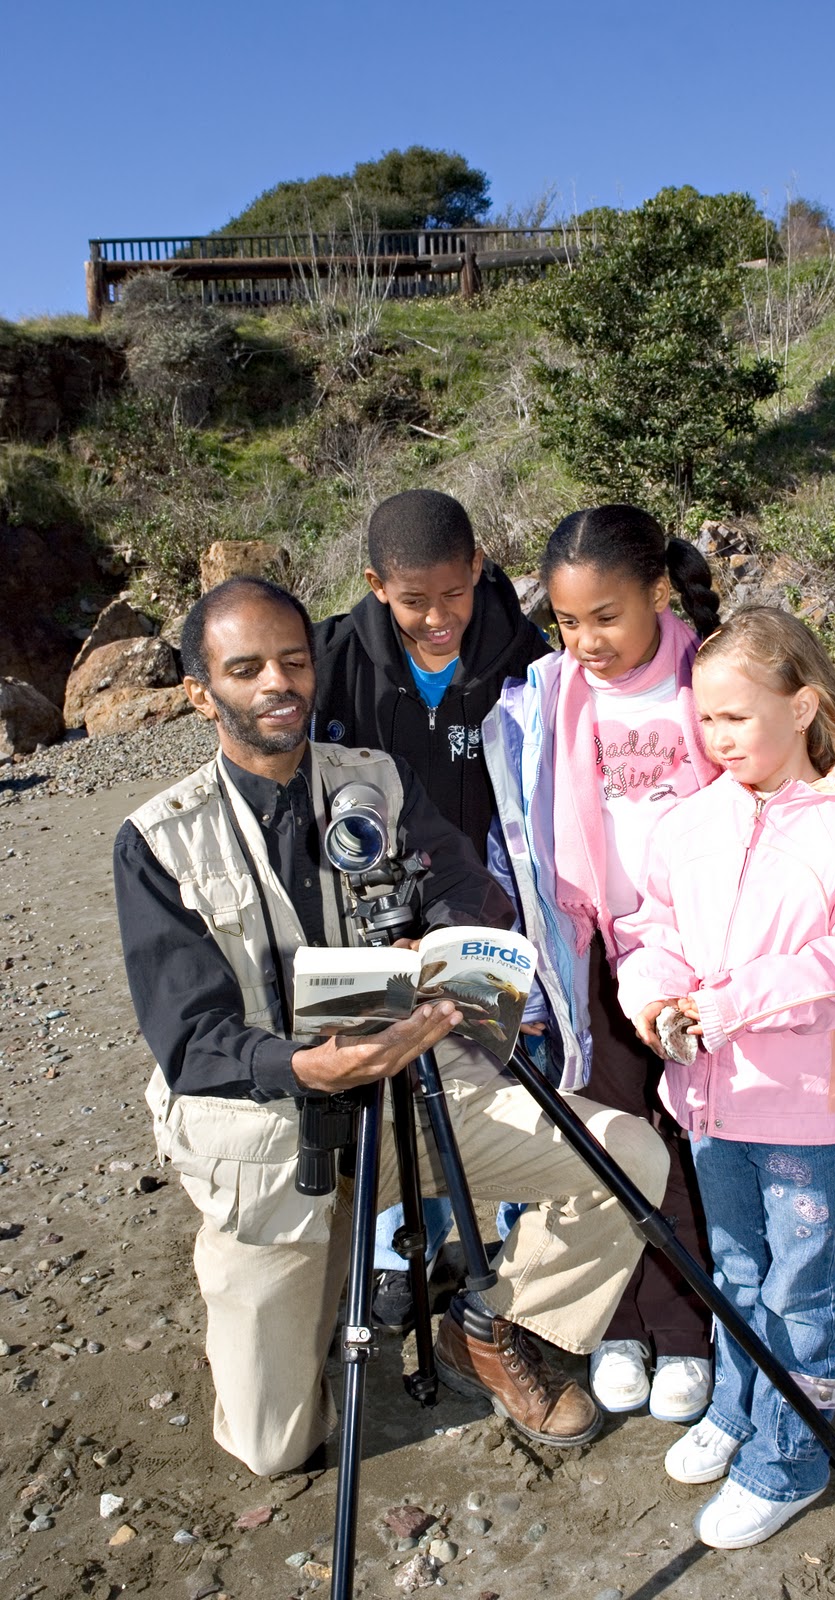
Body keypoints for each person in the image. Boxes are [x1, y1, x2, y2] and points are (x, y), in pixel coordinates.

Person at [113, 576, 670, 1478]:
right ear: (199, 690)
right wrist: (309, 1067)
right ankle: (295, 1280)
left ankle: (484, 1327)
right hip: (274, 1134)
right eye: (245, 668)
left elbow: (468, 888)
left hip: (415, 1087)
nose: (276, 685)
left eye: (293, 661)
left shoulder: (375, 780)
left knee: (628, 1161)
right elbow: (192, 1041)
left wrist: (447, 941)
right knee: (273, 1448)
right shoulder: (157, 841)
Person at [615, 606, 835, 1549]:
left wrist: (736, 1000)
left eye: (736, 719)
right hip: (710, 1099)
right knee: (736, 1268)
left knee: (798, 1282)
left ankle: (787, 1456)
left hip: (801, 1108)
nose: (717, 740)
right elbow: (652, 930)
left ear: (803, 707)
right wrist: (655, 996)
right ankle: (742, 1405)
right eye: (704, 720)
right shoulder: (691, 823)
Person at [484, 505, 720, 1428]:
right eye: (568, 622)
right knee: (613, 1139)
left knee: (698, 1141)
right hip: (586, 952)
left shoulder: (709, 677)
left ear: (657, 594)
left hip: (697, 957)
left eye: (606, 617)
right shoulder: (545, 696)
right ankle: (622, 1323)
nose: (586, 641)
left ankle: (693, 1326)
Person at [313, 489, 551, 1332]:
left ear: (477, 569)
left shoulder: (525, 651)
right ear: (377, 585)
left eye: (453, 593)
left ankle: (525, 1247)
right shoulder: (329, 661)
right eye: (415, 601)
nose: (438, 617)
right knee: (387, 1073)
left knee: (505, 1065)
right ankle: (396, 1248)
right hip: (368, 916)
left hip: (488, 901)